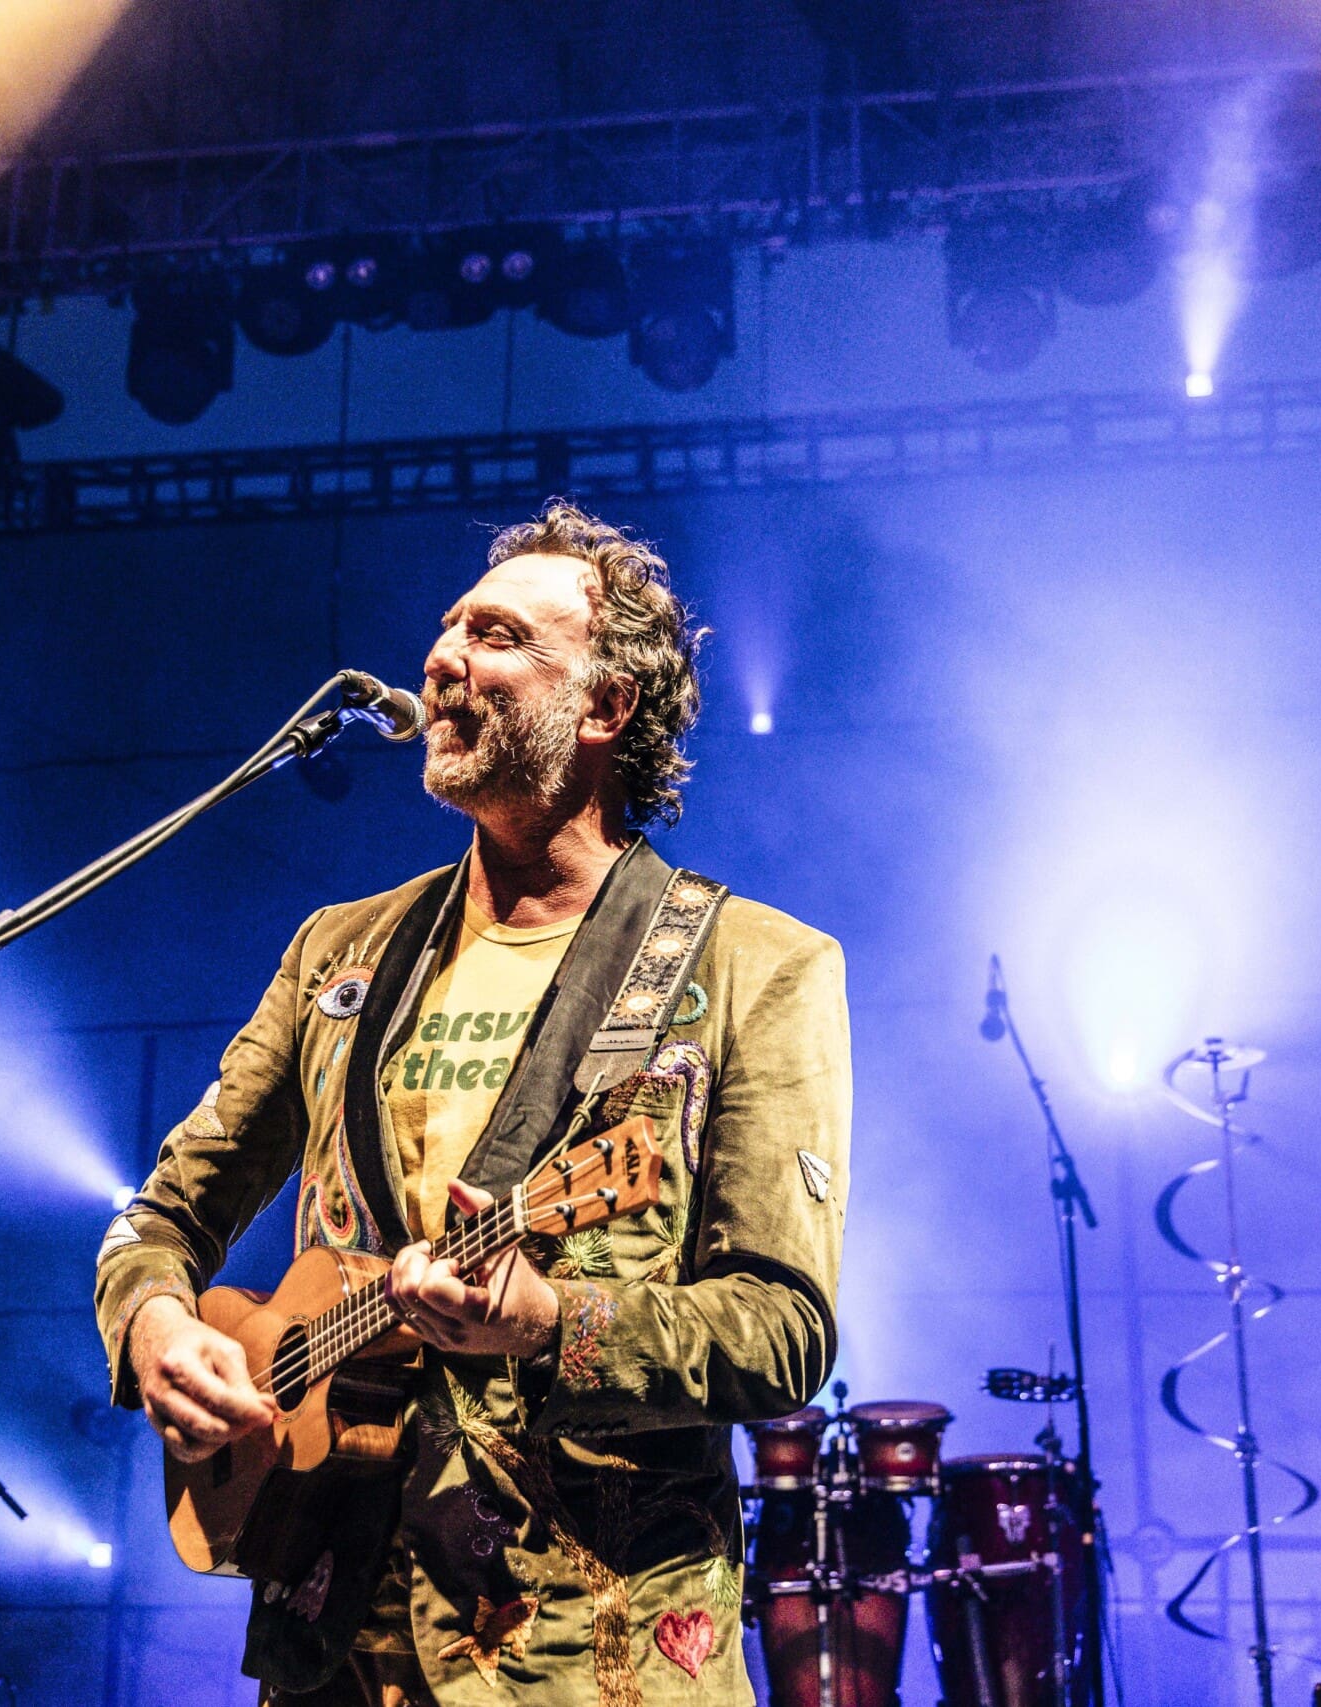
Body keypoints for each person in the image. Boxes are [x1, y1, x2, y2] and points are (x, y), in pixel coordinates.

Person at [95, 503, 852, 1707]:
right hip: (331, 1635)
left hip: (585, 1655)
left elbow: (784, 1331)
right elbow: (162, 1218)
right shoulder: (338, 953)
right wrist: (157, 1332)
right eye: (448, 627)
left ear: (604, 707)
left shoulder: (753, 966)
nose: (442, 655)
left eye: (496, 636)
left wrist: (553, 1322)